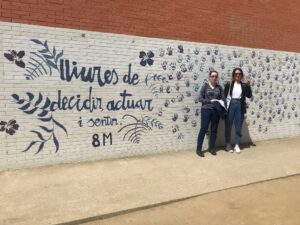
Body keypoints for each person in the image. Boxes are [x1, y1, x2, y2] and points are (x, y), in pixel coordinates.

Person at [196, 70, 225, 157]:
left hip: (216, 110)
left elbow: (223, 98)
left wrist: (219, 101)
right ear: (209, 77)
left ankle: (212, 148)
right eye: (212, 76)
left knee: (214, 130)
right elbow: (200, 98)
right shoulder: (205, 86)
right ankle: (198, 149)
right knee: (203, 129)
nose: (214, 78)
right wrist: (209, 101)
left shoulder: (219, 88)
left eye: (216, 76)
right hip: (206, 110)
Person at [224, 68, 252, 153]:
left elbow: (249, 95)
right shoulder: (229, 84)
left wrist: (248, 85)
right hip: (231, 104)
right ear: (233, 75)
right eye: (236, 74)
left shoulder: (243, 85)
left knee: (238, 126)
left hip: (240, 104)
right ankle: (228, 144)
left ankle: (237, 144)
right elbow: (224, 95)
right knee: (228, 125)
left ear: (241, 75)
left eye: (239, 74)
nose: (238, 75)